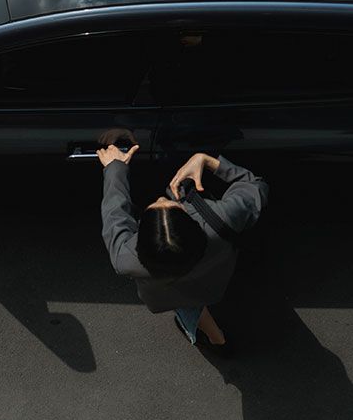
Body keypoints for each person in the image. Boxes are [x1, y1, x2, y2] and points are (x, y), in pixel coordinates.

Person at [97, 143, 268, 348]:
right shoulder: (223, 219)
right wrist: (206, 160)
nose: (161, 197)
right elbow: (254, 185)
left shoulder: (126, 259)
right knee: (196, 298)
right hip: (211, 285)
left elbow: (115, 214)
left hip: (166, 296)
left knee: (186, 304)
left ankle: (216, 337)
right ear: (190, 222)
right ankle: (218, 340)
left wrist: (115, 168)